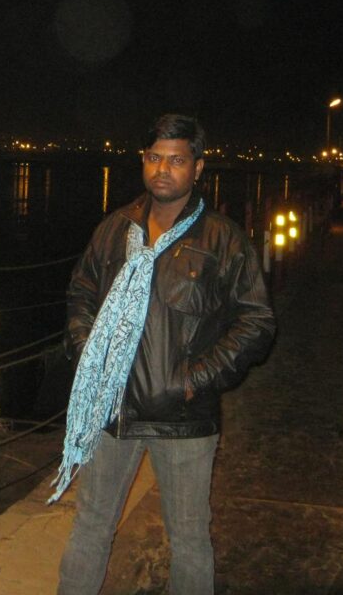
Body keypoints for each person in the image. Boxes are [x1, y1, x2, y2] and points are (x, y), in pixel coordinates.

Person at [51, 113, 276, 595]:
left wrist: (194, 379)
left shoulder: (223, 240)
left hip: (183, 418)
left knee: (190, 540)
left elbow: (256, 322)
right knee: (90, 526)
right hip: (110, 412)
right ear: (143, 161)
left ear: (197, 169)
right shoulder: (114, 230)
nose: (163, 169)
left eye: (177, 160)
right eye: (155, 157)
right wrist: (87, 351)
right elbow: (81, 293)